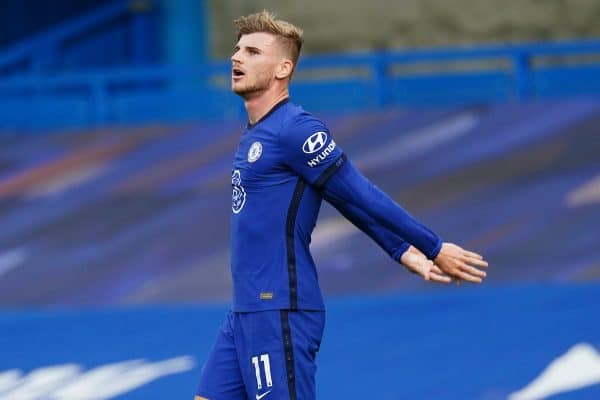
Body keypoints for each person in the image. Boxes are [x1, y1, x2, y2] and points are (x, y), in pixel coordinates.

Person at [195, 10, 488, 400]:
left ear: (283, 68)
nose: (236, 58)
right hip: (247, 309)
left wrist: (432, 246)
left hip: (280, 307)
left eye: (252, 51)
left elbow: (357, 192)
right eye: (237, 50)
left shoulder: (296, 129)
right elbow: (344, 200)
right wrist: (401, 250)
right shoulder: (257, 133)